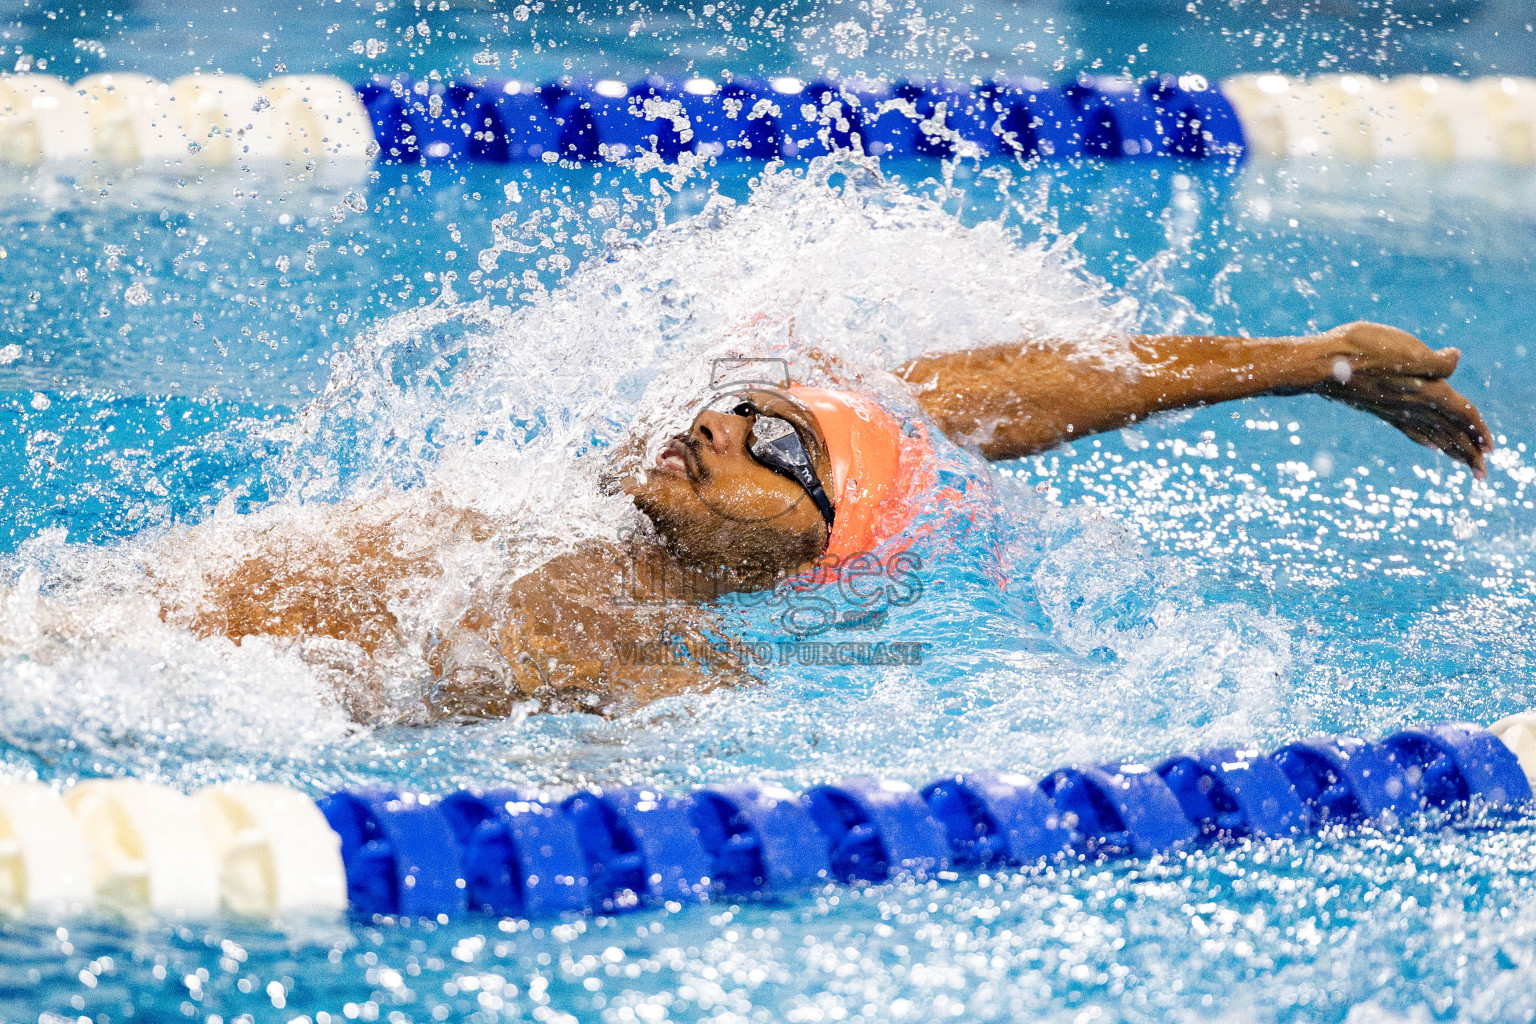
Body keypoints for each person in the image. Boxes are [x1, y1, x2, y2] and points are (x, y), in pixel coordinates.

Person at [170, 320, 1489, 720]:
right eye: (742, 405)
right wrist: (1303, 360)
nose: (724, 425)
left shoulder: (657, 674)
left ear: (812, 542)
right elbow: (991, 395)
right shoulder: (570, 499)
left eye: (777, 442)